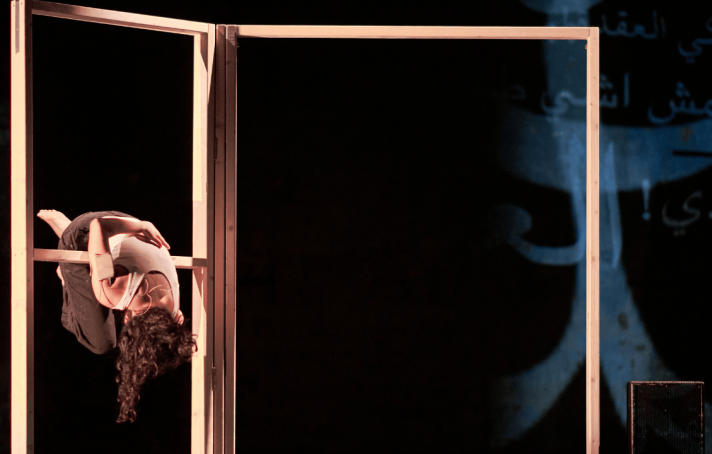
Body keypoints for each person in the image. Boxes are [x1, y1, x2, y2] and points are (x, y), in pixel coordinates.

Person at [37, 209, 196, 423]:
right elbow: (98, 226)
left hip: (125, 221)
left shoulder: (174, 311)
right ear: (130, 321)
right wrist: (142, 225)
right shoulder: (113, 293)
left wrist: (141, 225)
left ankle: (75, 269)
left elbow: (175, 326)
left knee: (106, 276)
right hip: (87, 231)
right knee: (102, 342)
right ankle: (68, 269)